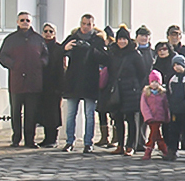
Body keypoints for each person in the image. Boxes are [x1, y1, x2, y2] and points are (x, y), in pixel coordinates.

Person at [0, 11, 49, 148]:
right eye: (22, 20)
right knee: (16, 112)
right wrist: (13, 64)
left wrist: (41, 63)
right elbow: (2, 56)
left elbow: (45, 55)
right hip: (17, 82)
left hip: (33, 82)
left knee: (31, 113)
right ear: (18, 22)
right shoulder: (11, 39)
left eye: (27, 20)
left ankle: (30, 139)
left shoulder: (38, 39)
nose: (25, 22)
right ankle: (16, 138)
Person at [61, 14, 108, 154]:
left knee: (89, 114)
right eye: (83, 23)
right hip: (73, 81)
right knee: (71, 114)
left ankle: (88, 142)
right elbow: (59, 53)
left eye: (88, 24)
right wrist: (66, 48)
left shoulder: (97, 40)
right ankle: (70, 141)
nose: (85, 26)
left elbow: (105, 59)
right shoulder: (73, 37)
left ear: (93, 25)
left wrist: (91, 50)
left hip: (90, 81)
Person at [105, 26, 150, 155]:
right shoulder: (113, 53)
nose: (122, 42)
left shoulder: (134, 54)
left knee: (132, 120)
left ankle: (131, 146)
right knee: (118, 119)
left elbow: (142, 73)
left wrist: (137, 87)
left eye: (124, 39)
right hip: (117, 90)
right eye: (120, 39)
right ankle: (120, 144)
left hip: (131, 90)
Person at [165, 55, 185, 162]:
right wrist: (172, 106)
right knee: (173, 132)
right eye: (174, 65)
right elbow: (169, 94)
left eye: (179, 64)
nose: (177, 67)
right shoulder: (172, 79)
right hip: (175, 110)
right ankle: (172, 151)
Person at [38, 23, 65, 148]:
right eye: (46, 31)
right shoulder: (39, 47)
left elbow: (61, 68)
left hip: (54, 85)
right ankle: (46, 138)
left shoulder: (58, 48)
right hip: (42, 84)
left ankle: (53, 138)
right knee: (43, 112)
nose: (48, 33)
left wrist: (60, 87)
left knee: (53, 113)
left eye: (51, 31)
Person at [139, 70, 171, 159]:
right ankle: (157, 150)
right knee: (154, 134)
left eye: (156, 82)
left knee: (156, 134)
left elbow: (165, 106)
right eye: (152, 82)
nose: (154, 84)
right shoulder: (146, 93)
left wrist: (167, 116)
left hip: (159, 117)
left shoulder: (162, 94)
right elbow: (144, 106)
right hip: (151, 117)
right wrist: (148, 116)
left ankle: (155, 150)